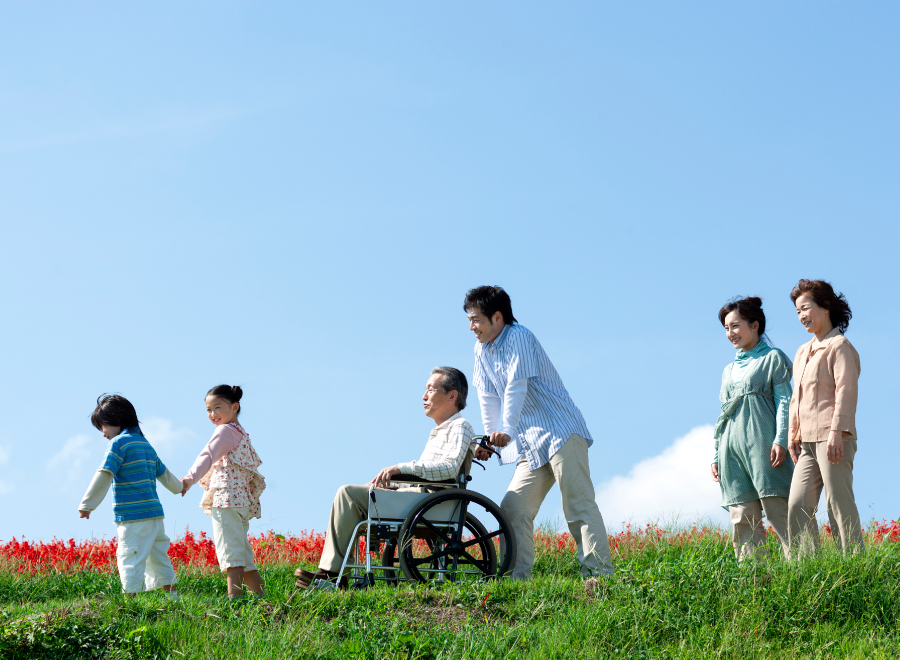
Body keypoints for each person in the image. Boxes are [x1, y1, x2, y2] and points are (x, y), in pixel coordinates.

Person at [465, 285, 613, 580]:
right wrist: (490, 438)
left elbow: (515, 387)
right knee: (512, 510)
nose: (472, 327)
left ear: (497, 317)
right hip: (529, 444)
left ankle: (599, 578)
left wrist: (505, 430)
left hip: (560, 431)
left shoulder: (519, 336)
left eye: (476, 319)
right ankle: (516, 580)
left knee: (577, 503)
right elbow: (488, 397)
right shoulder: (481, 350)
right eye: (469, 320)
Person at [294, 367, 475, 590]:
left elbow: (448, 469)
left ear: (452, 395)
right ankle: (335, 574)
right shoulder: (440, 430)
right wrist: (394, 481)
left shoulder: (460, 426)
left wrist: (401, 468)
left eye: (430, 389)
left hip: (432, 502)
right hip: (422, 497)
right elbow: (426, 474)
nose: (424, 396)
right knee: (360, 492)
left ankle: (332, 575)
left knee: (347, 493)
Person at [712, 297, 794, 561]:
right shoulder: (728, 370)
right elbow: (722, 414)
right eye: (726, 328)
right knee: (741, 517)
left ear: (754, 325)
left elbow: (785, 401)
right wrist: (715, 454)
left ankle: (802, 570)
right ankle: (755, 580)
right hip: (730, 448)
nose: (730, 333)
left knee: (777, 508)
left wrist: (781, 438)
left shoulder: (773, 358)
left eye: (735, 326)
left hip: (763, 441)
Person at [78, 394, 183, 598]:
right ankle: (174, 600)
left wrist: (87, 504)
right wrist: (179, 488)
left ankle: (130, 604)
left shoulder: (119, 444)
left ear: (116, 419)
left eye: (103, 427)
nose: (103, 434)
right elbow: (164, 473)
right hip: (155, 515)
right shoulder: (145, 444)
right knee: (160, 557)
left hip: (133, 516)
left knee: (129, 558)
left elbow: (105, 474)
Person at [786, 280, 863, 556]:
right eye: (797, 311)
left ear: (826, 306)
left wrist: (836, 432)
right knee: (797, 504)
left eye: (805, 307)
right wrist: (792, 433)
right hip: (806, 441)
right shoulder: (801, 351)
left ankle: (855, 565)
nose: (801, 315)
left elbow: (846, 390)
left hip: (834, 438)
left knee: (837, 503)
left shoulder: (840, 346)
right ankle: (806, 565)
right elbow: (797, 396)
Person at [181, 385, 266, 599]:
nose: (212, 414)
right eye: (208, 410)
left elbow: (208, 455)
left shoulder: (225, 431)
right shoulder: (240, 433)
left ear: (235, 407)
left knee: (230, 555)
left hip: (226, 499)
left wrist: (190, 479)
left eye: (217, 407)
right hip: (240, 502)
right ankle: (262, 602)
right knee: (244, 557)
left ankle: (234, 604)